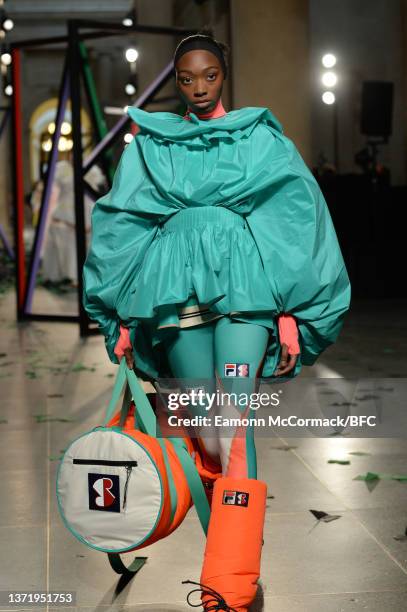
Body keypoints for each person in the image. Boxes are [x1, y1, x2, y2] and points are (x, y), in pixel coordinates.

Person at [83, 33, 351, 612]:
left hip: (245, 292)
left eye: (208, 75)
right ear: (174, 80)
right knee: (199, 425)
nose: (199, 88)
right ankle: (230, 562)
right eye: (186, 78)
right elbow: (124, 223)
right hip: (180, 295)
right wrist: (123, 313)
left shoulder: (259, 138)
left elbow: (291, 218)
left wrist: (288, 310)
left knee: (233, 418)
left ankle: (231, 586)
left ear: (223, 73)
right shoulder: (156, 144)